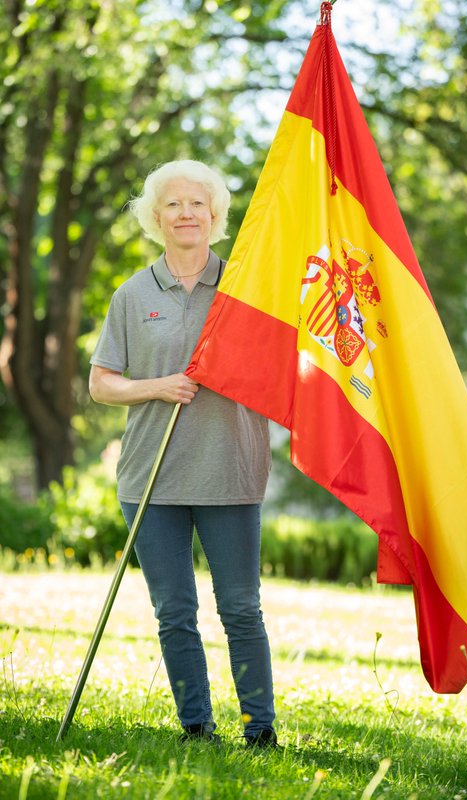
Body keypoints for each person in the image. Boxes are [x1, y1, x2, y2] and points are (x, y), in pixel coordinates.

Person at [89, 160, 277, 747]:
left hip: (231, 473)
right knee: (175, 614)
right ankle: (197, 727)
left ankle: (259, 729)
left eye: (197, 203)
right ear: (156, 217)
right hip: (151, 480)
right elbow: (101, 384)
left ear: (216, 214)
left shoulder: (247, 289)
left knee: (242, 610)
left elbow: (279, 371)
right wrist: (158, 385)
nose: (186, 213)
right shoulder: (132, 294)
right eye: (173, 204)